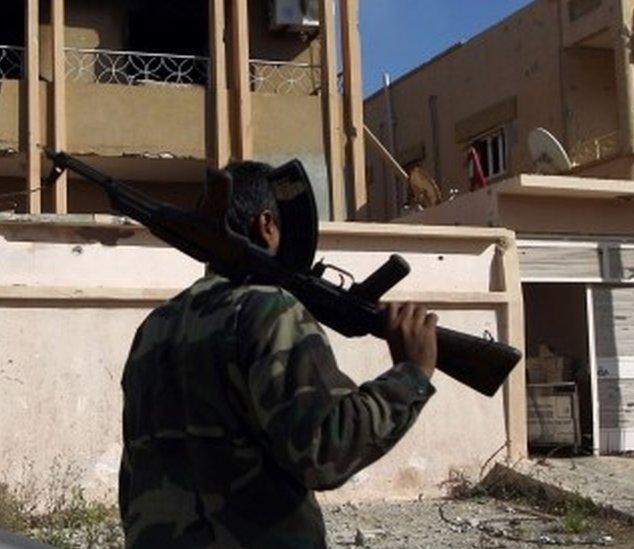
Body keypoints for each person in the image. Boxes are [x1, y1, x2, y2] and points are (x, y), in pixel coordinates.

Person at [118, 161, 438, 548]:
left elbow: (135, 474)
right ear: (267, 225)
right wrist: (411, 375)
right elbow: (324, 449)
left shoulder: (155, 326)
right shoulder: (269, 309)